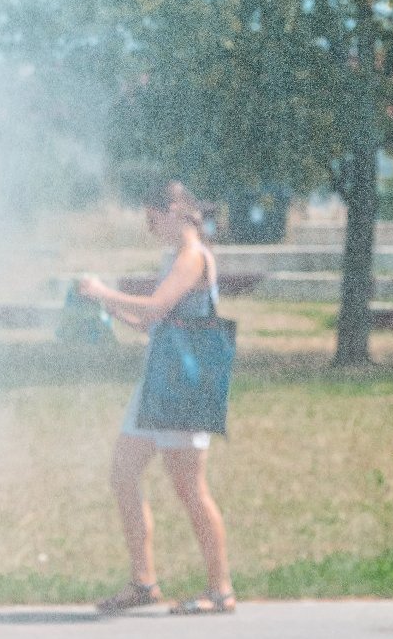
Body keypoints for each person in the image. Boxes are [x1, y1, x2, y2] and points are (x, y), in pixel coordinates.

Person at [79, 181, 235, 616]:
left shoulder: (192, 256)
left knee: (189, 488)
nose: (151, 229)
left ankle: (220, 589)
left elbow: (155, 307)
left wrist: (102, 292)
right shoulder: (174, 257)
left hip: (183, 385)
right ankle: (142, 581)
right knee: (123, 471)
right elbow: (154, 323)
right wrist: (112, 309)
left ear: (175, 211)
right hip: (160, 379)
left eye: (153, 219)